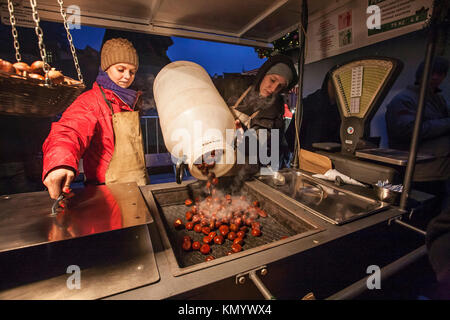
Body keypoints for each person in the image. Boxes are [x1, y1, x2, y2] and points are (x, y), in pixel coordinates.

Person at [42, 38, 149, 199]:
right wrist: (59, 164)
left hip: (138, 187)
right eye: (121, 69)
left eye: (132, 71)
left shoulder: (129, 101)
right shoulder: (91, 101)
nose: (127, 76)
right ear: (106, 68)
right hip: (106, 193)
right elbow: (68, 131)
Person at [385, 56, 450, 214]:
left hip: (440, 172)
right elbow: (407, 129)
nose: (436, 77)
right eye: (432, 73)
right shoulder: (404, 99)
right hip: (420, 175)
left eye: (440, 74)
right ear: (421, 75)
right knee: (421, 219)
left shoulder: (439, 100)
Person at [227, 54, 298, 173]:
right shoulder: (237, 86)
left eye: (280, 86)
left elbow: (271, 152)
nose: (273, 89)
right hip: (220, 161)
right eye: (272, 80)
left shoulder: (276, 111)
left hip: (247, 171)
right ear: (264, 73)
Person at [285, 71, 341, 153]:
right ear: (328, 82)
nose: (336, 87)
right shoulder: (310, 103)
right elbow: (292, 134)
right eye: (334, 83)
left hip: (330, 158)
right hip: (309, 156)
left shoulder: (341, 109)